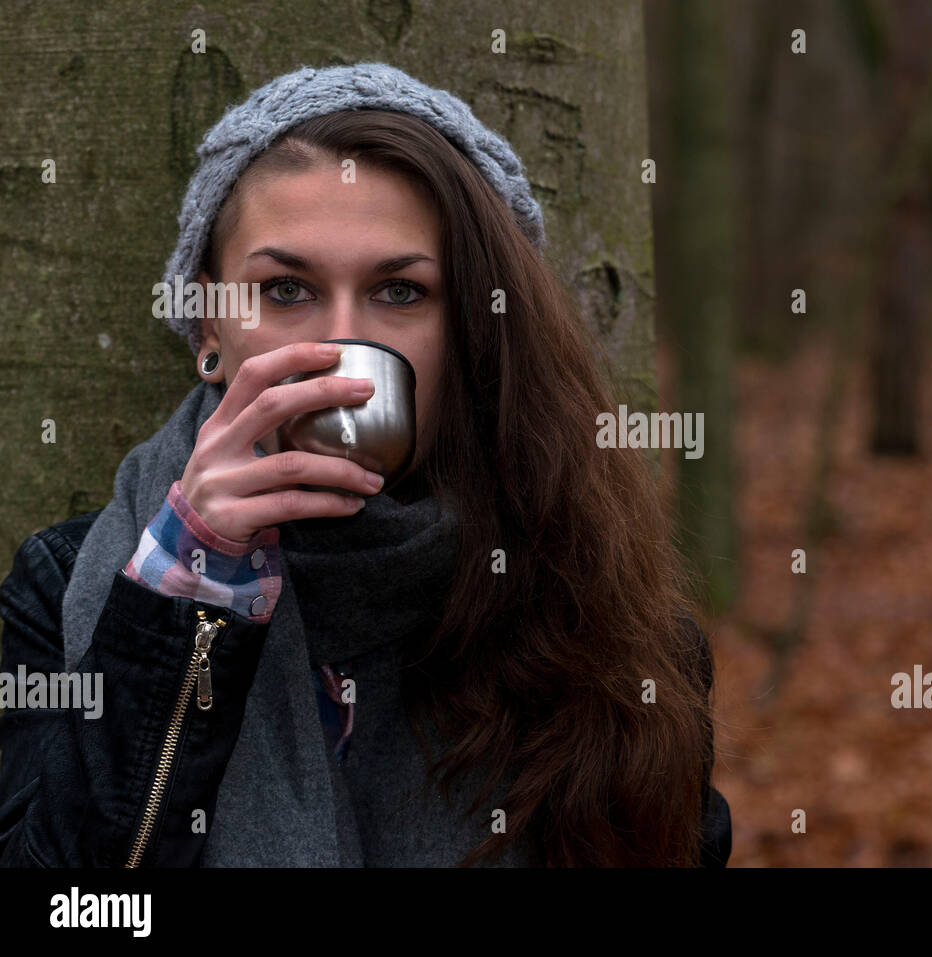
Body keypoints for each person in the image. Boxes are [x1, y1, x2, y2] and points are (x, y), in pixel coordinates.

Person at [0, 62, 730, 867]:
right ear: (209, 324)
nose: (341, 346)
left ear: (474, 333)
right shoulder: (66, 589)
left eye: (400, 293)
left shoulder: (606, 624)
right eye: (284, 290)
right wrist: (191, 589)